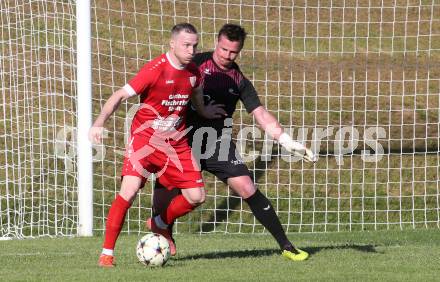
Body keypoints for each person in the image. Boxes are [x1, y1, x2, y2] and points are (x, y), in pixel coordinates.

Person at [152, 23, 317, 262]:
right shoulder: (194, 64)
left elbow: (260, 113)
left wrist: (285, 140)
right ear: (216, 43)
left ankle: (286, 246)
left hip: (217, 142)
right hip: (183, 138)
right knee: (169, 191)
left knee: (247, 187)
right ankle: (163, 229)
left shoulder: (238, 80)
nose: (226, 56)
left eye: (233, 52)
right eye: (223, 49)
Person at [89, 23, 223, 268]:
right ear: (172, 44)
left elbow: (195, 95)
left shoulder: (194, 72)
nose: (191, 49)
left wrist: (205, 111)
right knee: (127, 192)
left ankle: (160, 222)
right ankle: (106, 254)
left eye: (194, 45)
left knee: (197, 196)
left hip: (176, 144)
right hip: (145, 142)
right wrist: (99, 123)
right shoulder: (155, 70)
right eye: (186, 44)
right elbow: (120, 95)